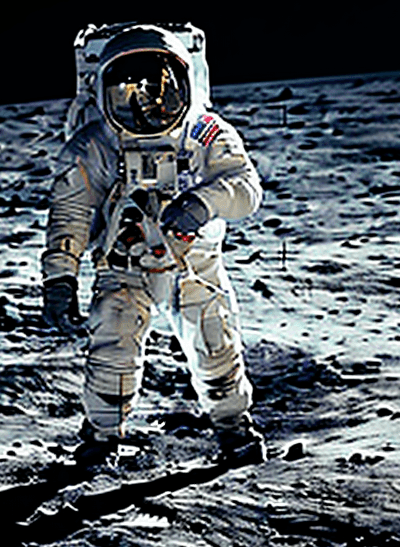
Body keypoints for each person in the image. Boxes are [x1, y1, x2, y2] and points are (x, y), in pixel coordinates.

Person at [41, 23, 266, 465]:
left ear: (184, 81)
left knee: (215, 345)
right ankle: (102, 437)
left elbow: (245, 186)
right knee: (113, 348)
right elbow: (70, 214)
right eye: (128, 90)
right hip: (123, 264)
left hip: (192, 262)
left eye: (163, 86)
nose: (149, 103)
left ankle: (234, 427)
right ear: (106, 89)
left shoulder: (203, 134)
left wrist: (202, 203)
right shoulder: (96, 145)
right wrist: (59, 280)